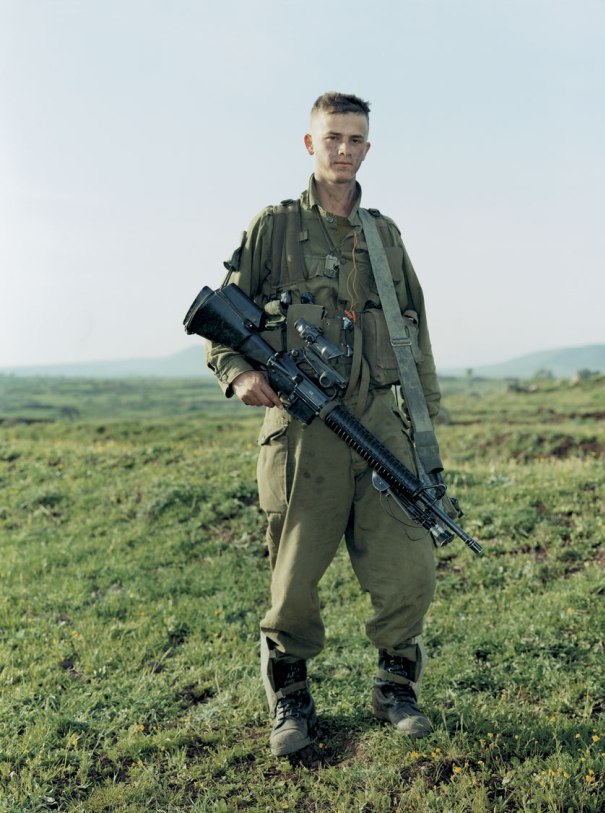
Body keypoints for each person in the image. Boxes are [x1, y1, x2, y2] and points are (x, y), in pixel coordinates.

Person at [207, 92, 454, 757]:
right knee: (292, 579)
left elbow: (415, 335)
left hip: (376, 422)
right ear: (310, 143)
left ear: (368, 148)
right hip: (301, 428)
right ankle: (290, 698)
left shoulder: (384, 235)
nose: (344, 149)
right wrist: (238, 373)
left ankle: (395, 686)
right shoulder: (275, 227)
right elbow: (221, 316)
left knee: (411, 565)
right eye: (333, 137)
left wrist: (425, 433)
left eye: (356, 139)